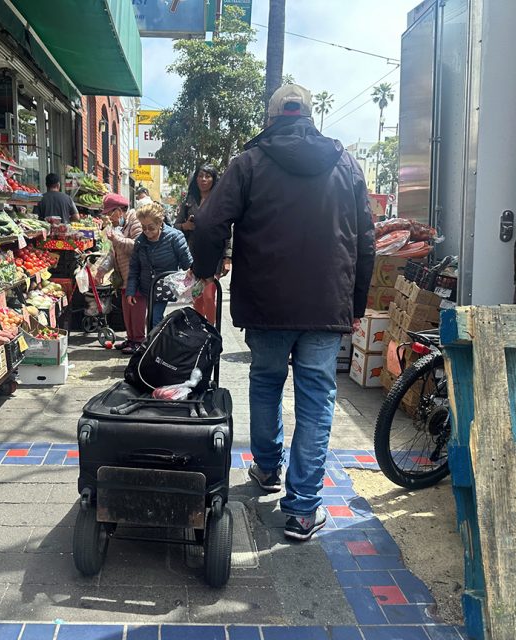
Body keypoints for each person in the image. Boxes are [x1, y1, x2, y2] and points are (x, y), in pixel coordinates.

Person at [190, 84, 375, 541]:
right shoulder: (346, 163)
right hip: (325, 304)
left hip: (267, 304)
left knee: (266, 384)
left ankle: (268, 471)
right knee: (316, 398)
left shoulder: (249, 162)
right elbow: (366, 240)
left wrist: (208, 270)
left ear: (272, 119)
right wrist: (355, 303)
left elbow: (211, 222)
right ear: (310, 117)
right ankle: (302, 509)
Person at [175, 165, 231, 324]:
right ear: (196, 178)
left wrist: (228, 257)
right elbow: (176, 226)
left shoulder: (221, 201)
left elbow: (228, 230)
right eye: (200, 176)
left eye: (208, 176)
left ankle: (211, 330)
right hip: (194, 256)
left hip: (215, 255)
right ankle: (200, 330)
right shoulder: (188, 201)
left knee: (208, 296)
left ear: (214, 179)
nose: (204, 179)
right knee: (198, 298)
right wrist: (185, 226)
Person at [127, 203, 192, 330]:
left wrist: (194, 284)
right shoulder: (140, 241)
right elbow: (134, 268)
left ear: (159, 222)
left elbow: (188, 263)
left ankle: (156, 347)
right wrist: (130, 291)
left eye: (150, 227)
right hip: (147, 286)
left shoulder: (174, 237)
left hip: (165, 287)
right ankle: (157, 344)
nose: (146, 231)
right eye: (143, 227)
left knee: (154, 318)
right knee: (152, 318)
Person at [101, 193, 144, 354]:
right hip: (125, 277)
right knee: (127, 311)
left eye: (110, 214)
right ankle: (131, 339)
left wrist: (117, 240)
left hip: (136, 276)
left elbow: (138, 246)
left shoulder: (136, 222)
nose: (109, 219)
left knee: (136, 310)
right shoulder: (121, 226)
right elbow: (114, 253)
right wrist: (102, 270)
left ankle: (139, 340)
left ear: (119, 211)